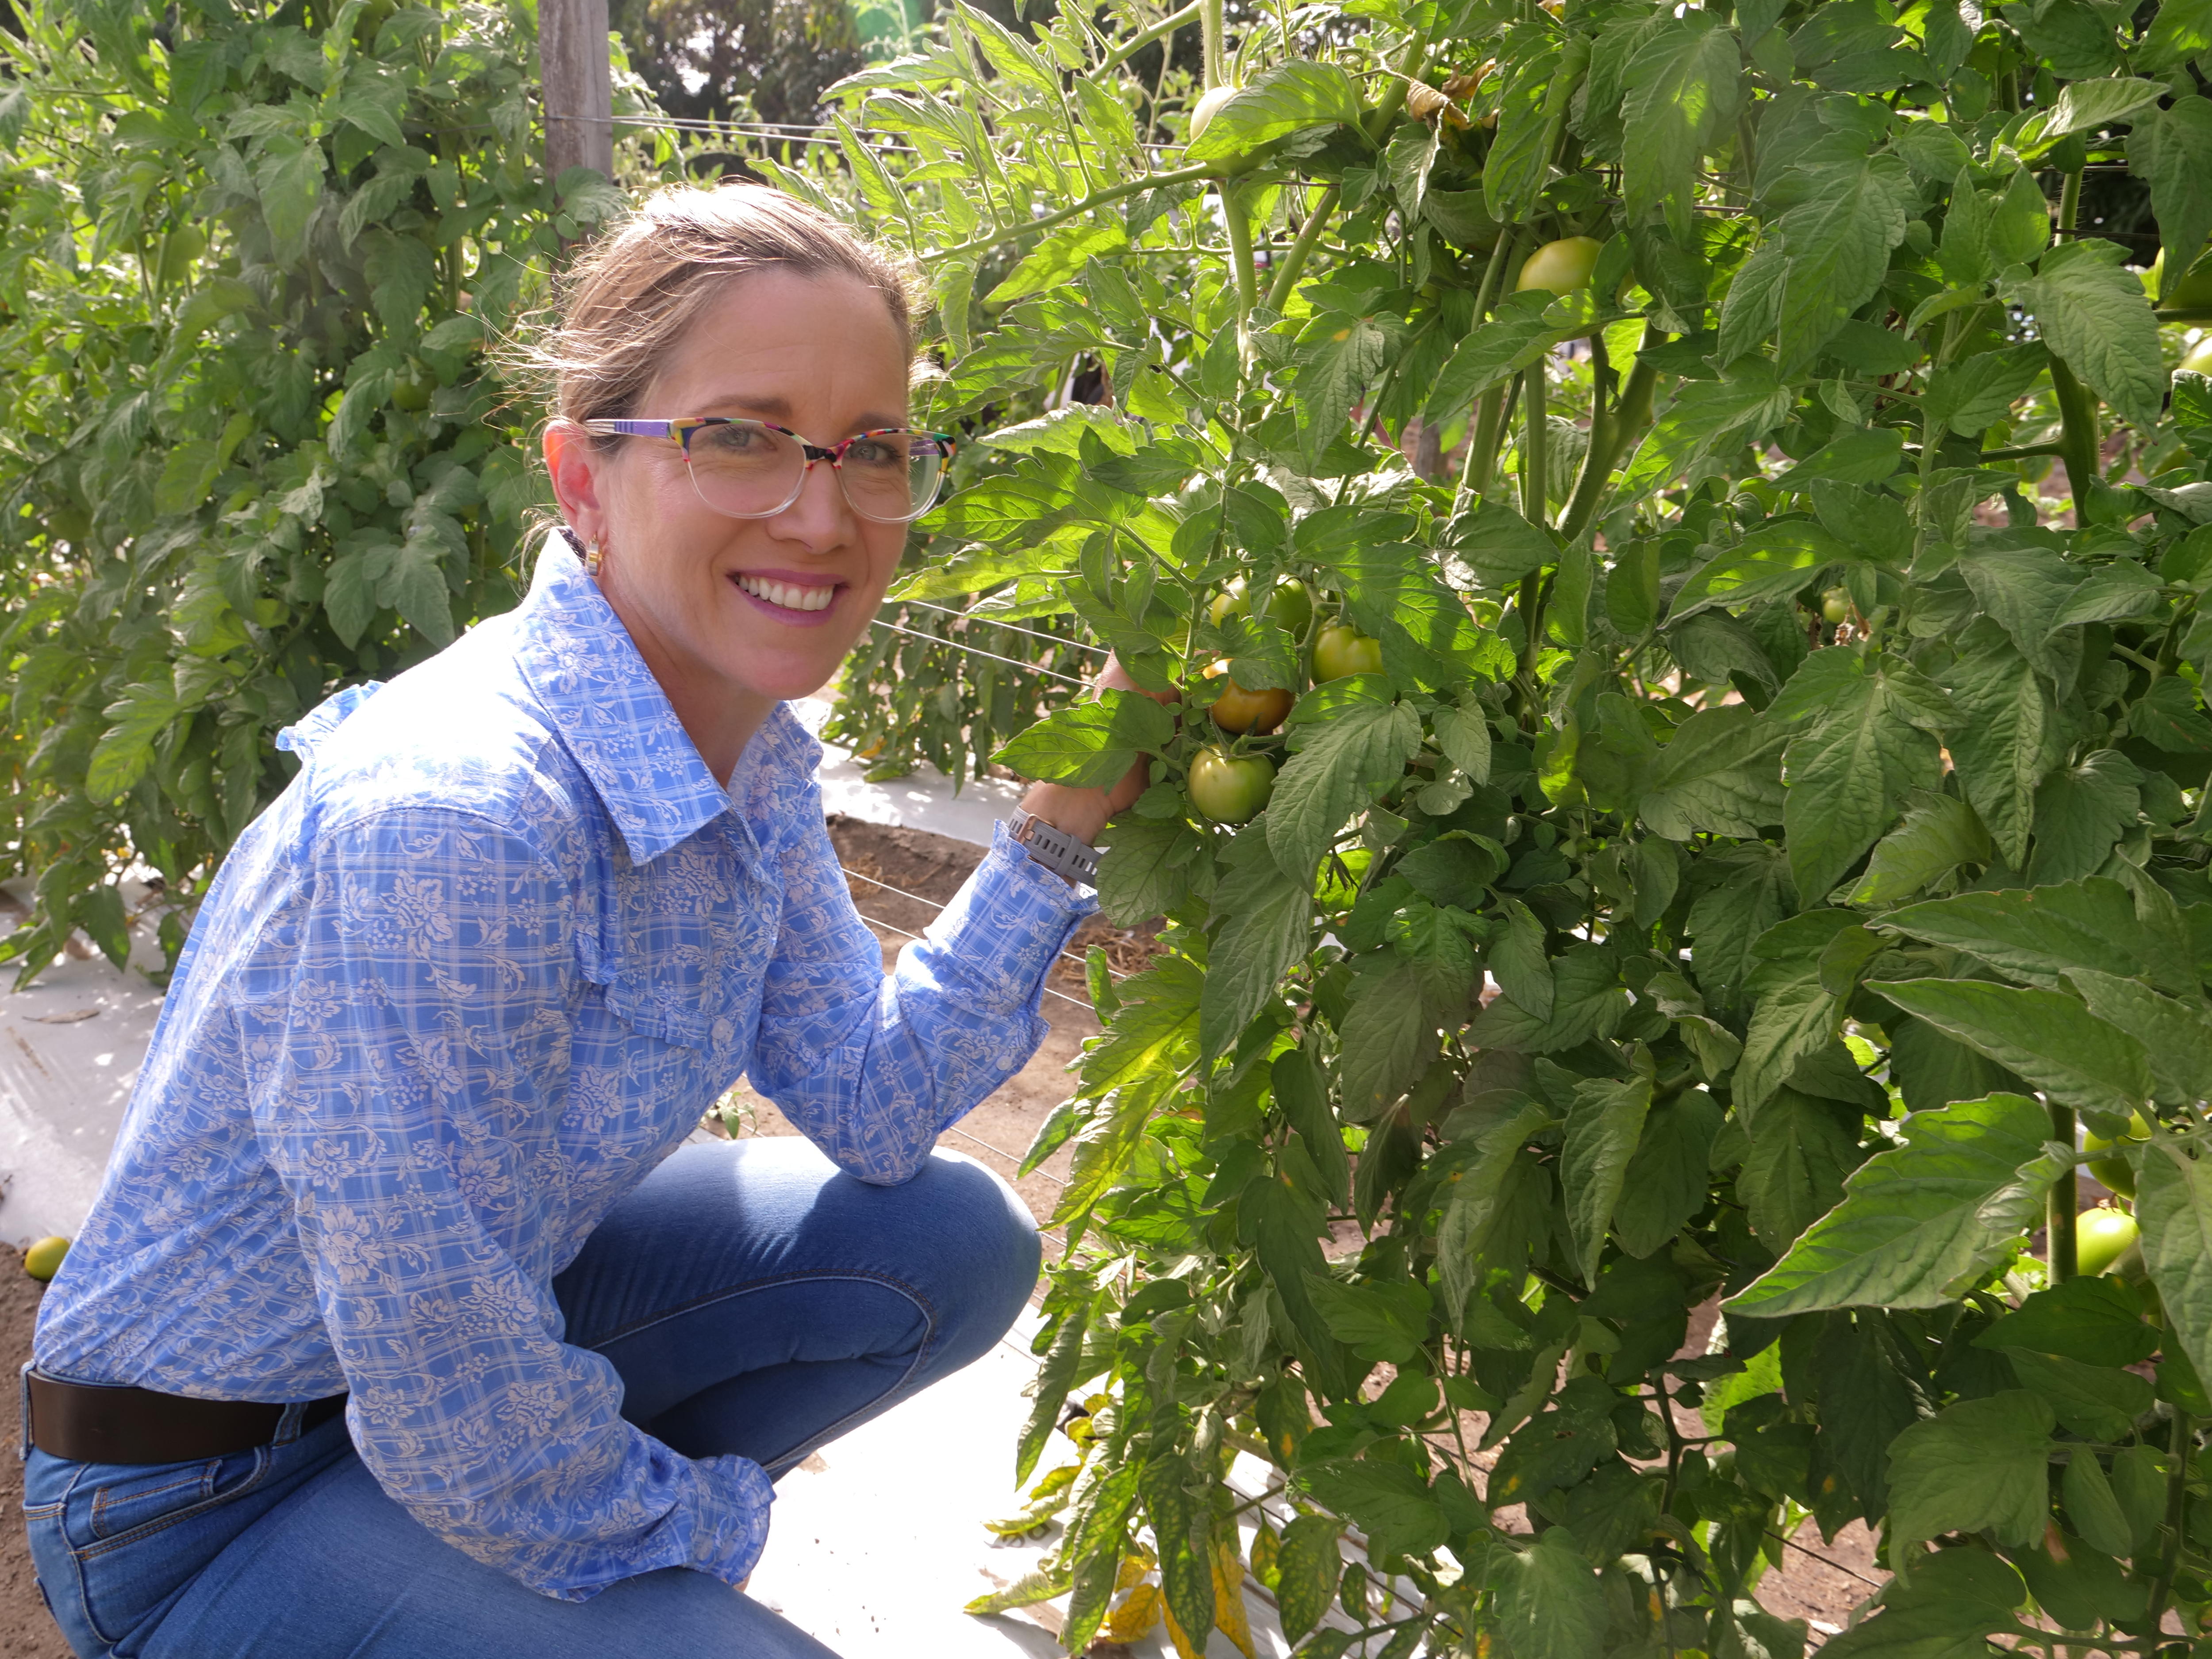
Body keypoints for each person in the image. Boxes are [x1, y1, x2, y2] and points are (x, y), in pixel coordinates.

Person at [22, 183, 1145, 1657]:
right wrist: (702, 1534)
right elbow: (448, 1383)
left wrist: (1057, 826)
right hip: (198, 1496)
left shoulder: (742, 757)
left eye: (874, 450)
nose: (822, 511)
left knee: (951, 1238)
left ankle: (545, 1568)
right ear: (582, 479)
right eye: (739, 436)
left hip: (413, 1385)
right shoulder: (462, 821)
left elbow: (877, 1108)